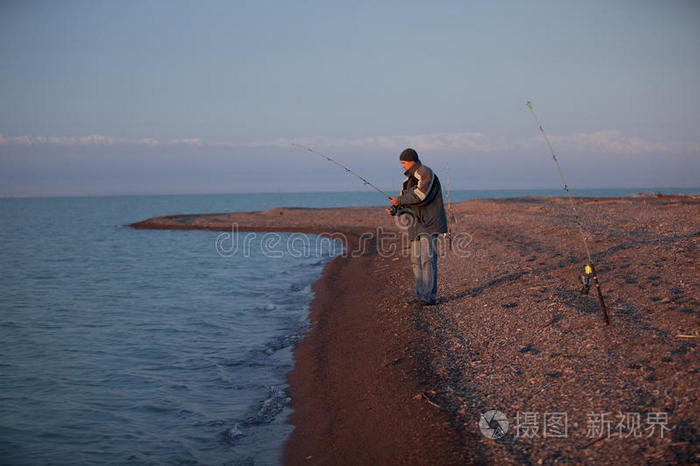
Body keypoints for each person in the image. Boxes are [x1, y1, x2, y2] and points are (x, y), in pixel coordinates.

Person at [386, 148, 448, 305]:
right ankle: (420, 295)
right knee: (416, 261)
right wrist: (395, 210)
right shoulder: (407, 181)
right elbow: (406, 201)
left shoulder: (424, 172)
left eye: (403, 162)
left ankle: (429, 297)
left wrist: (400, 200)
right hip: (415, 226)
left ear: (411, 160)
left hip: (429, 223)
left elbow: (421, 195)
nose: (402, 166)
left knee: (427, 260)